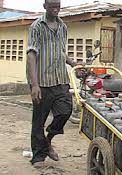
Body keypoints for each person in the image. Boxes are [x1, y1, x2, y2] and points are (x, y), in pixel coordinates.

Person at [26, 0, 77, 167]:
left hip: (60, 79)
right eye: (52, 6)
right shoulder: (37, 27)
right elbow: (31, 54)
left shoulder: (63, 27)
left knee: (65, 112)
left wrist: (74, 64)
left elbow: (61, 52)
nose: (56, 9)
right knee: (39, 120)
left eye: (58, 6)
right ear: (45, 6)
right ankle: (38, 156)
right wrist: (34, 85)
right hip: (42, 81)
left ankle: (48, 142)